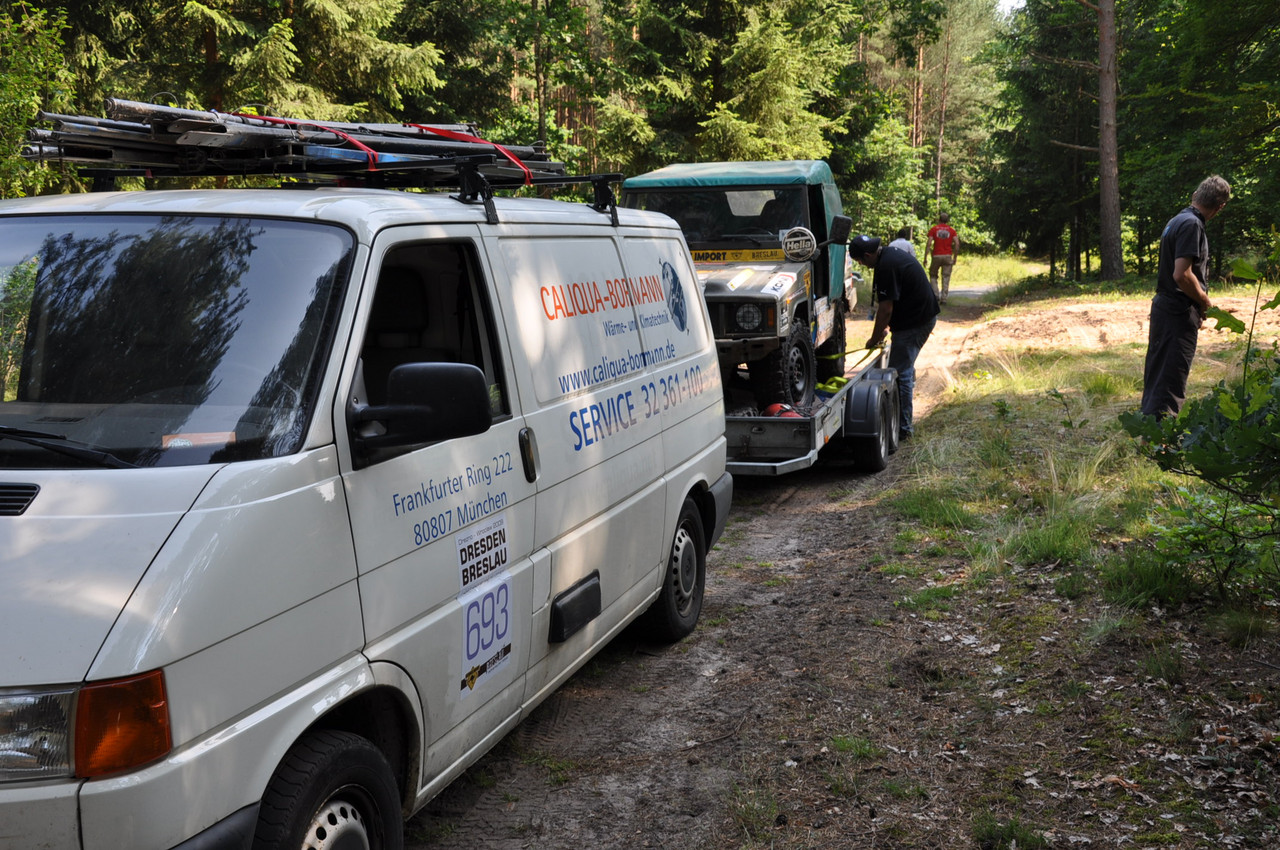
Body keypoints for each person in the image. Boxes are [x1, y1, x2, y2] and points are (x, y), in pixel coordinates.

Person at [1140, 175, 1231, 418]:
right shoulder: (1192, 225)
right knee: (1170, 380)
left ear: (1195, 195)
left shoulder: (1177, 220)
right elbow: (1182, 275)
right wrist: (1204, 301)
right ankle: (1162, 437)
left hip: (1164, 307)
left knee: (1158, 375)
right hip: (1177, 312)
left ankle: (1150, 432)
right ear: (1220, 207)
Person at [850, 234, 940, 441]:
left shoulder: (886, 266)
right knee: (902, 366)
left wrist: (874, 339)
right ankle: (903, 422)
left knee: (899, 372)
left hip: (916, 322)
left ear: (867, 255)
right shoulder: (888, 255)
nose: (862, 265)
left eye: (860, 261)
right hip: (917, 316)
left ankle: (904, 428)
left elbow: (886, 309)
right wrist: (884, 328)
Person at [925, 213, 959, 305]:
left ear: (939, 220)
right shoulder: (952, 230)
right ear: (947, 221)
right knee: (946, 277)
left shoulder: (934, 229)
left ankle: (936, 295)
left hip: (936, 255)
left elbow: (929, 243)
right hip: (948, 256)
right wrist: (955, 257)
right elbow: (957, 243)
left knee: (933, 275)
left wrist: (925, 257)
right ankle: (944, 298)